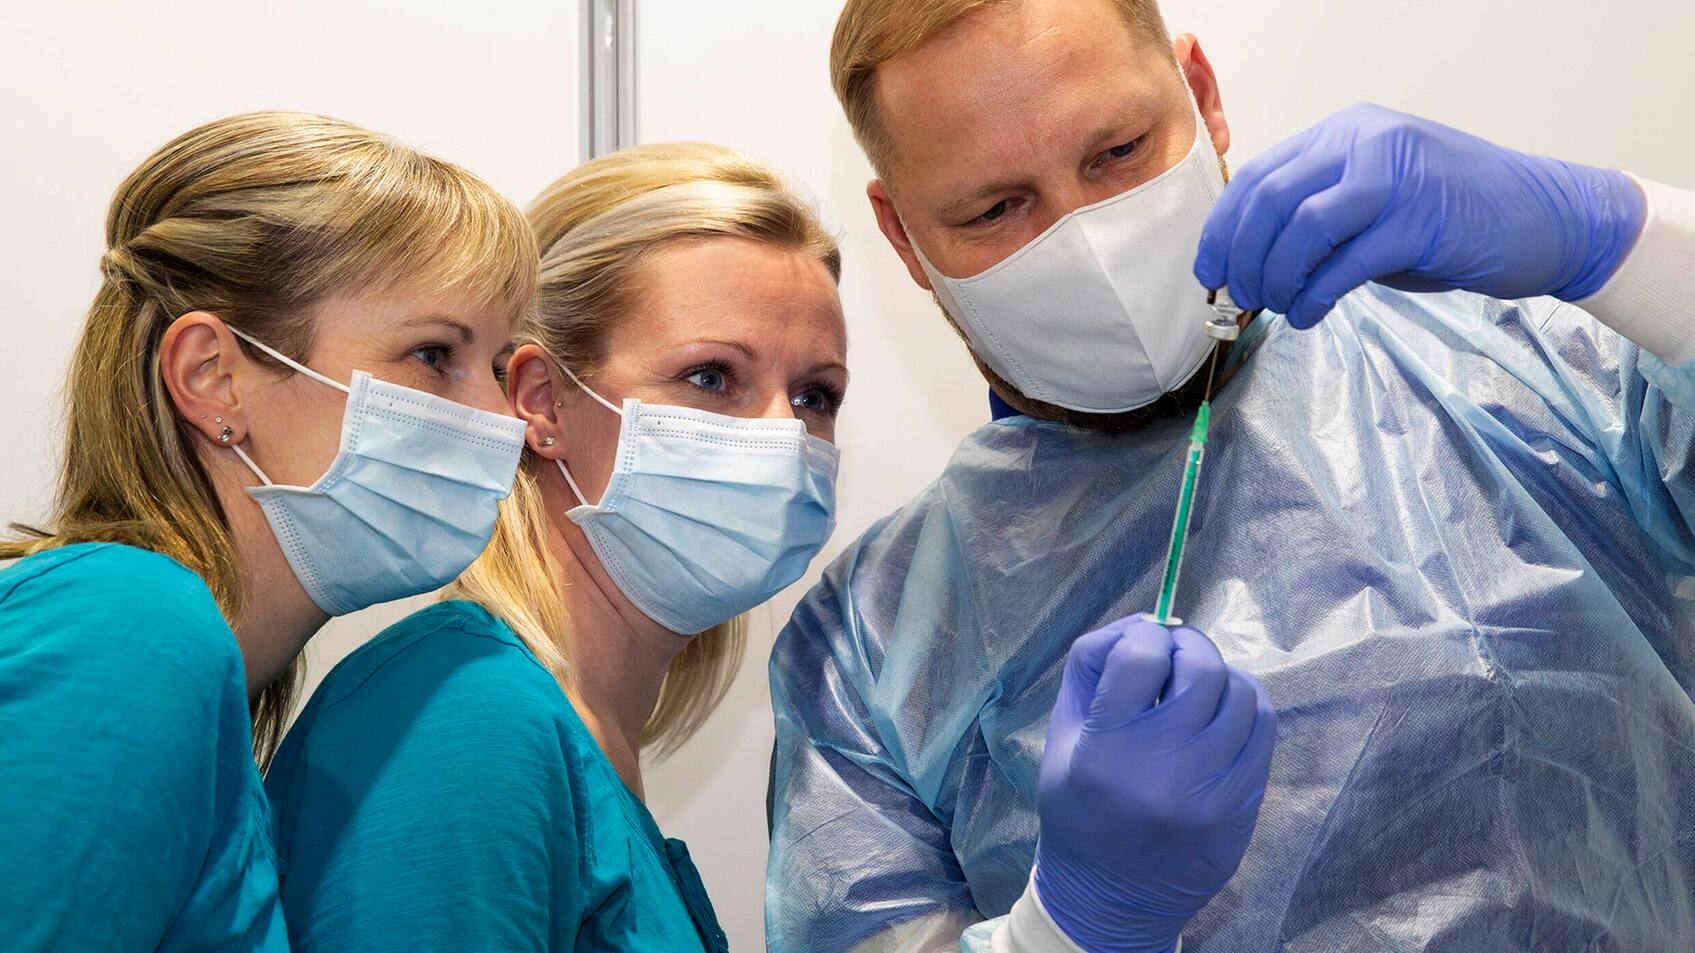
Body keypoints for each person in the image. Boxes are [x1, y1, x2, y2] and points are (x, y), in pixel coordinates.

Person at [767, 0, 1695, 951]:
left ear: (1201, 96)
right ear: (903, 238)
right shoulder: (871, 649)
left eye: (1118, 152)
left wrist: (1624, 240)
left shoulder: (1522, 368)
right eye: (996, 209)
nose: (1088, 241)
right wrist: (1073, 925)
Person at [264, 142, 841, 952]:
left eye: (815, 395)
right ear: (541, 400)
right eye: (711, 377)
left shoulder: (571, 731)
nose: (783, 435)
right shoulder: (470, 724)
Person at [0, 111, 536, 950]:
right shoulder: (128, 626)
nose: (503, 419)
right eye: (434, 355)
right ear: (212, 377)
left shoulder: (191, 656)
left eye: (499, 368)